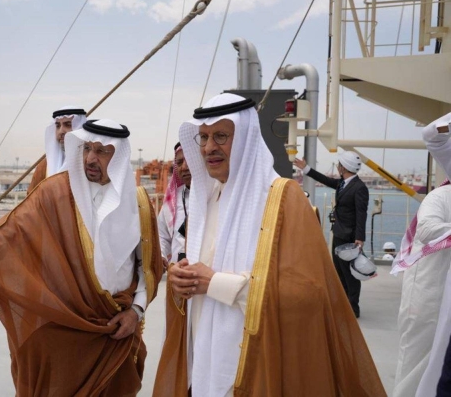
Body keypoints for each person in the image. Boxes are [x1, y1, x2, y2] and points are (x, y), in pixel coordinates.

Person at [153, 92, 386, 397]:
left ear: (247, 138)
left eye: (221, 135)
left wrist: (215, 283)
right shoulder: (206, 198)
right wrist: (181, 279)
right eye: (204, 137)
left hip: (257, 363)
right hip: (202, 360)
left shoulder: (284, 199)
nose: (210, 147)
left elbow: (307, 296)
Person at [0, 119, 163, 396]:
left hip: (117, 328)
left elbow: (148, 269)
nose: (91, 158)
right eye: (87, 148)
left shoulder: (139, 203)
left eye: (102, 151)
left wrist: (136, 312)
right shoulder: (54, 192)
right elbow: (13, 232)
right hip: (67, 324)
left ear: (120, 155)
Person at [392, 182, 451, 397]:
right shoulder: (439, 196)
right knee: (414, 364)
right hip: (427, 298)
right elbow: (426, 229)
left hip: (445, 300)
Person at [294, 152, 369, 317]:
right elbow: (326, 180)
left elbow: (361, 213)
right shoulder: (344, 183)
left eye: (339, 164)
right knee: (339, 271)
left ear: (344, 167)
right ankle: (342, 304)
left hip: (349, 237)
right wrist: (305, 168)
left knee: (350, 274)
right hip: (339, 233)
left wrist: (359, 238)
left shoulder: (359, 187)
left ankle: (353, 308)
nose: (337, 166)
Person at [27, 106, 87, 193]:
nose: (61, 131)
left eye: (68, 125)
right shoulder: (45, 166)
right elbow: (31, 199)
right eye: (58, 126)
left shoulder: (88, 163)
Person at [157, 142, 191, 269]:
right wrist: (161, 255)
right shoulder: (173, 198)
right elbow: (162, 235)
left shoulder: (215, 196)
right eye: (180, 162)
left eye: (190, 160)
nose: (184, 167)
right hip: (176, 275)